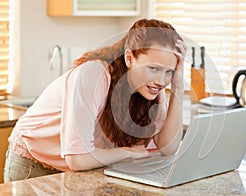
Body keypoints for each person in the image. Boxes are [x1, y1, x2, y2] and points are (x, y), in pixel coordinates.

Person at [4, 18, 187, 182]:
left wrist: (178, 86)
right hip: (34, 164)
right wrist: (127, 153)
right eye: (153, 68)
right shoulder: (94, 74)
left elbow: (168, 147)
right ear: (129, 58)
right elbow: (78, 159)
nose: (162, 81)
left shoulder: (151, 86)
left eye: (169, 71)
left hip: (81, 171)